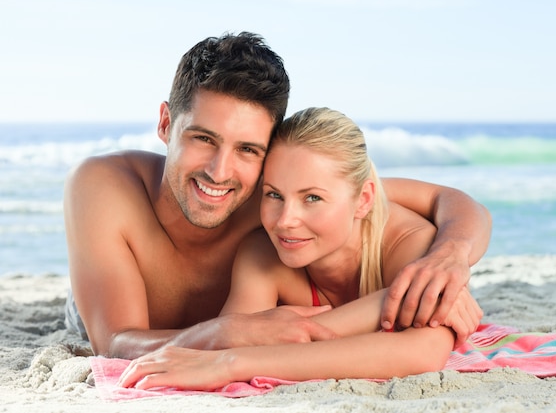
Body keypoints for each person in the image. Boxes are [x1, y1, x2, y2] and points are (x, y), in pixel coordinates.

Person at [64, 31, 491, 359]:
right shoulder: (105, 187)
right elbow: (115, 343)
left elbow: (448, 200)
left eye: (248, 149)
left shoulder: (275, 201)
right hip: (100, 307)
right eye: (203, 138)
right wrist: (224, 332)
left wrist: (447, 258)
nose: (220, 171)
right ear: (165, 123)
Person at [118, 107, 483, 390]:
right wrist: (390, 301)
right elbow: (236, 335)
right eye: (274, 194)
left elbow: (421, 352)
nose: (285, 220)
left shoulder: (409, 241)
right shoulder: (262, 255)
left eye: (312, 198)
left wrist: (234, 365)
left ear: (363, 200)